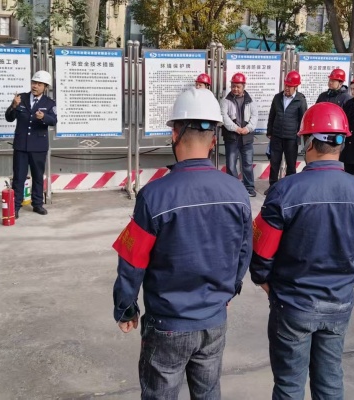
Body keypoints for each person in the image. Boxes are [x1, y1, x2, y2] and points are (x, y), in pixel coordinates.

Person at [112, 87, 251, 400]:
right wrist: (229, 291)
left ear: (174, 134)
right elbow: (244, 252)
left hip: (167, 322)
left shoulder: (154, 195)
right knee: (208, 393)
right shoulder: (237, 191)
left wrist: (125, 306)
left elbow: (132, 260)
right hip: (214, 320)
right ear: (214, 139)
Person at [251, 101, 354, 399]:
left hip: (293, 304)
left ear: (307, 142)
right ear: (342, 143)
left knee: (289, 385)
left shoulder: (285, 191)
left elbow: (261, 253)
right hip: (339, 302)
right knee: (330, 382)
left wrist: (264, 281)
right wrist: (348, 282)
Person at [5, 70, 57, 218]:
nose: (35, 86)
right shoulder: (20, 98)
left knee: (38, 176)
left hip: (38, 146)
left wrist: (44, 117)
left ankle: (37, 204)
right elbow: (9, 118)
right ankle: (15, 206)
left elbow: (54, 121)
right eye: (34, 82)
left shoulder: (49, 103)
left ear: (45, 87)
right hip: (21, 145)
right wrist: (13, 106)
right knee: (19, 177)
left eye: (39, 84)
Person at [266, 70, 307, 195]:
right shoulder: (277, 97)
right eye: (286, 85)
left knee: (291, 164)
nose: (287, 88)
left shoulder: (300, 100)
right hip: (277, 136)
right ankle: (273, 187)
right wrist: (269, 131)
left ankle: (289, 188)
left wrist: (299, 136)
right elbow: (272, 115)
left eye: (290, 86)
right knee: (274, 163)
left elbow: (303, 119)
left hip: (291, 138)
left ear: (296, 86)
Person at [221, 72, 259, 197]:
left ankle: (249, 187)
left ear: (243, 86)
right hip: (231, 137)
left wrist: (247, 129)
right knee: (231, 164)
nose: (235, 89)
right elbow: (224, 117)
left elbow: (254, 116)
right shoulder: (225, 101)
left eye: (238, 86)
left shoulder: (250, 101)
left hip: (246, 138)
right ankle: (233, 188)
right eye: (233, 86)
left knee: (247, 164)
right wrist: (236, 128)